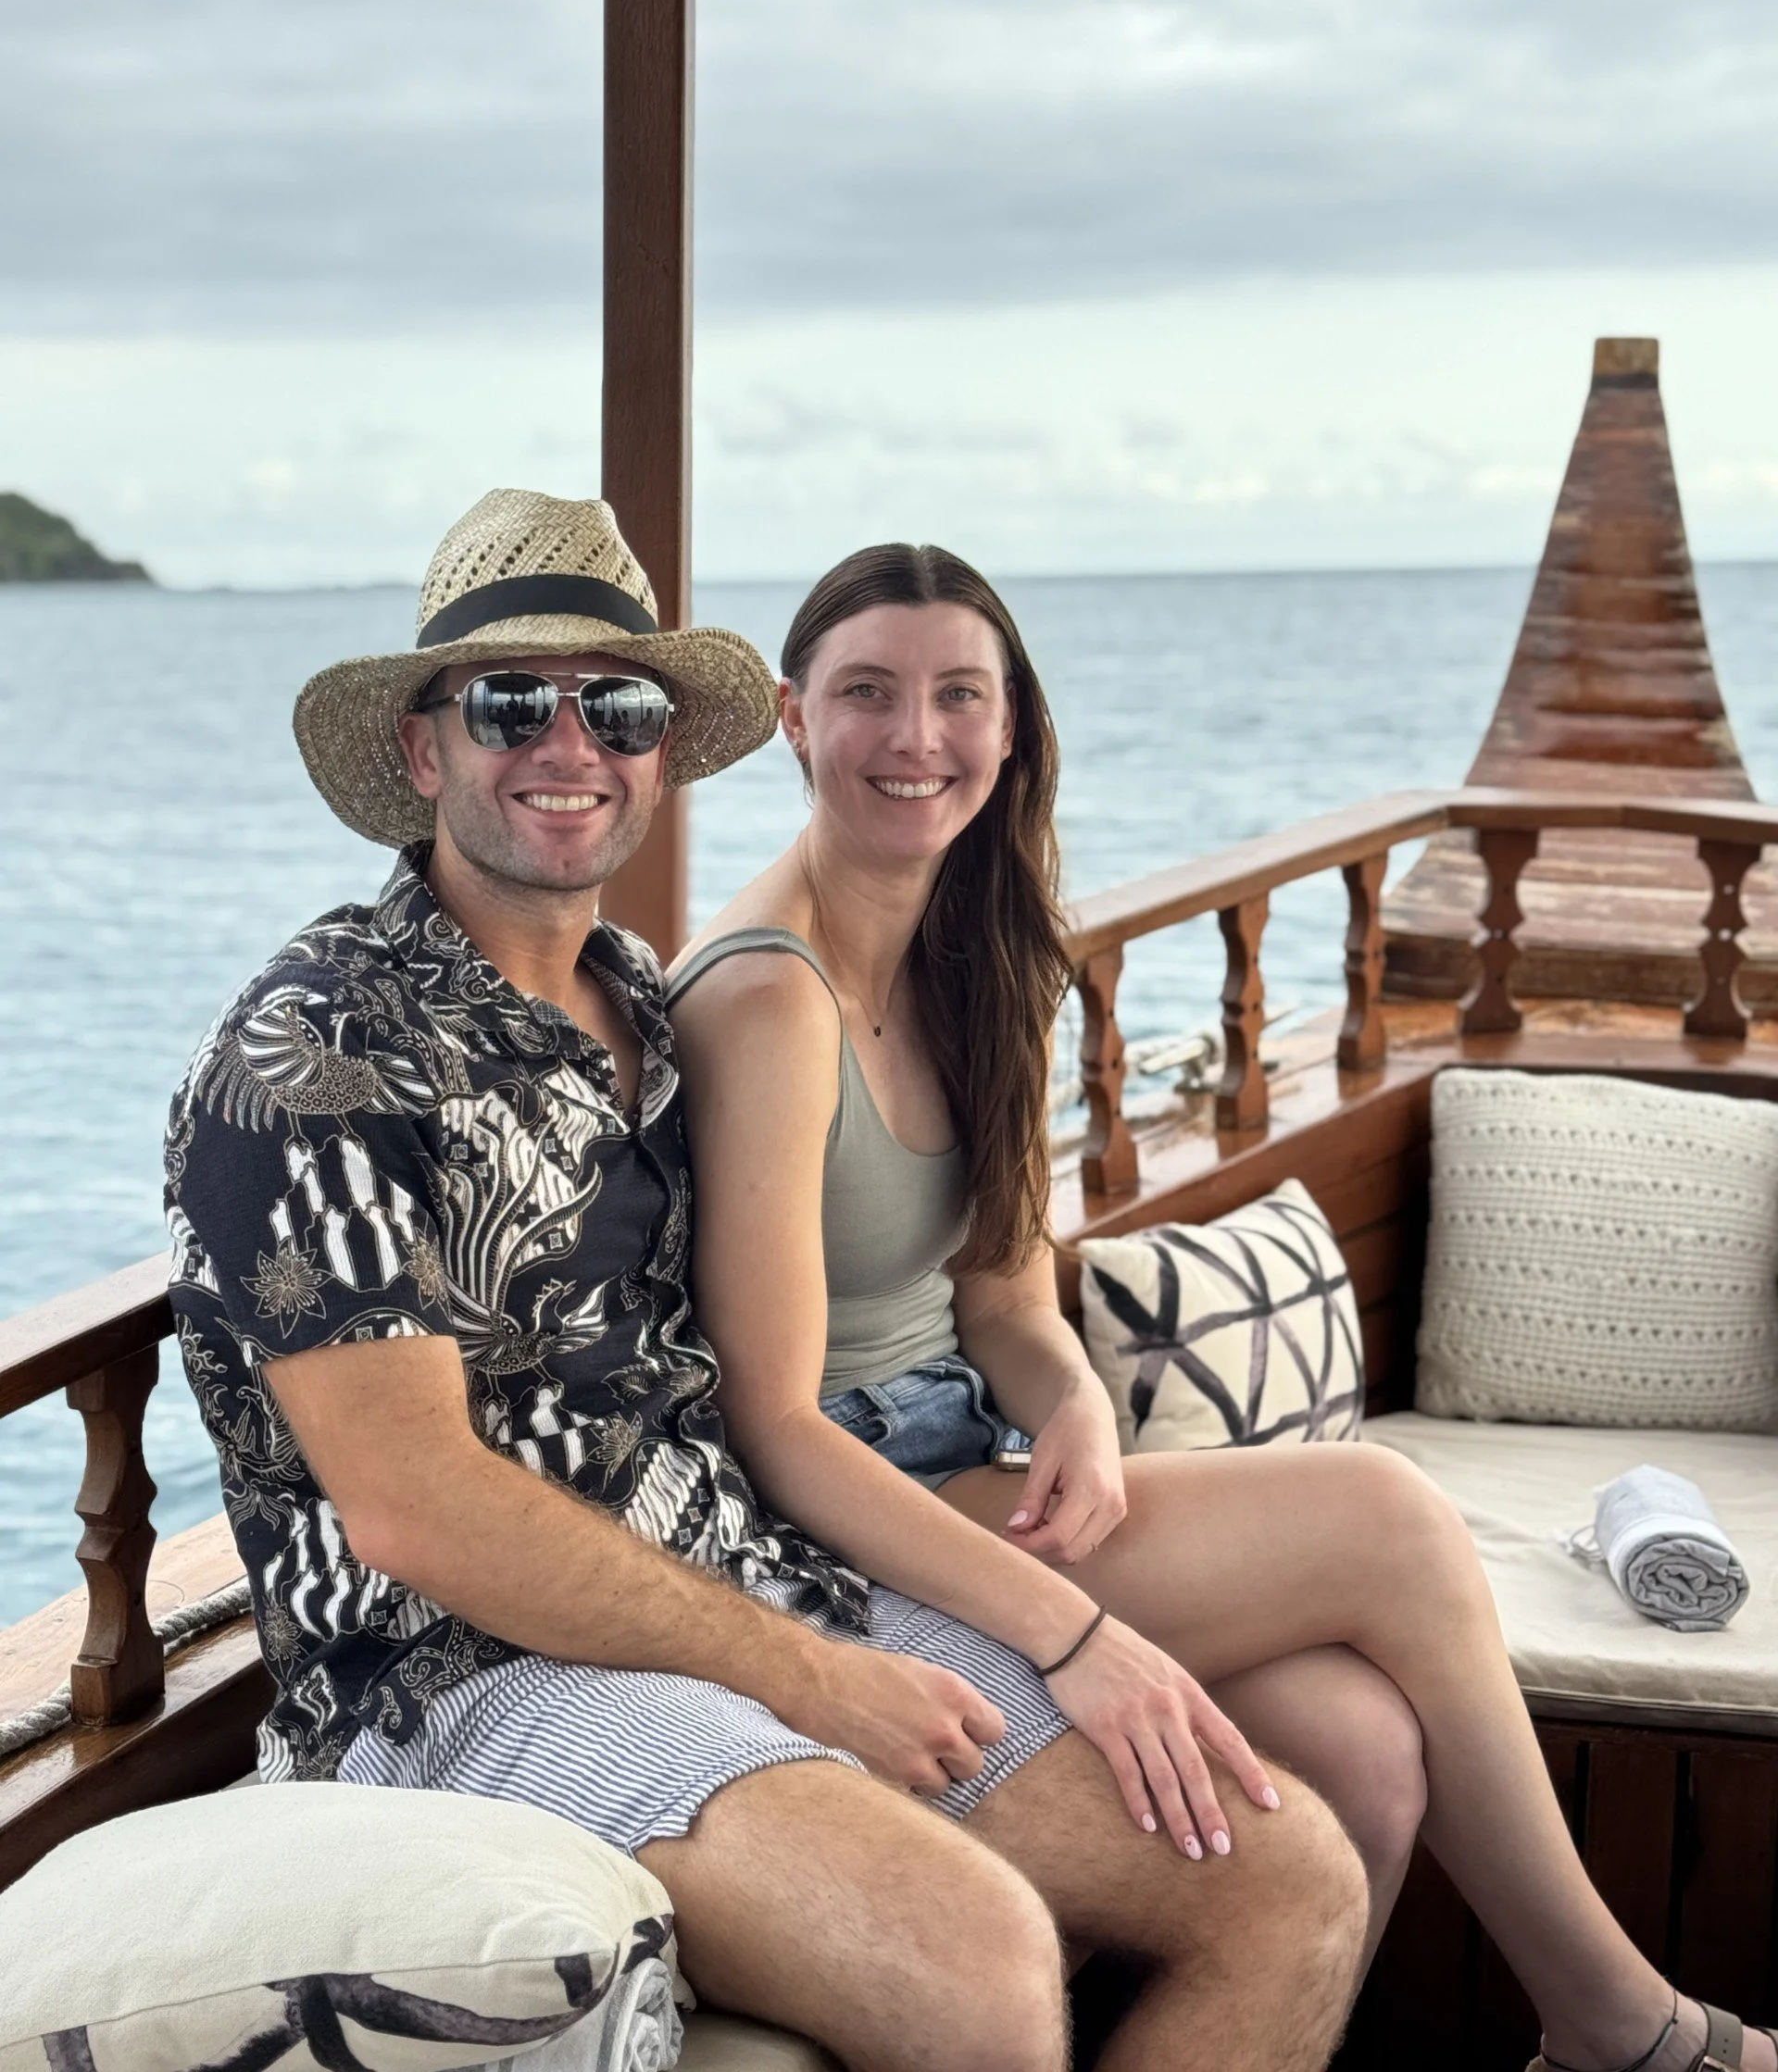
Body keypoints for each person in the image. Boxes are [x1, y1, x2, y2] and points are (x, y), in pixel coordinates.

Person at [165, 488, 1374, 2072]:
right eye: (511, 703)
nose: (570, 744)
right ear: (421, 749)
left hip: (746, 1573)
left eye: (621, 705)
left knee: (1288, 1880)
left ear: (664, 748)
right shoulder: (313, 1051)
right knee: (979, 1958)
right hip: (467, 1680)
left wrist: (834, 1630)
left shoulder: (640, 1016)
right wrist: (812, 1675)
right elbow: (415, 1511)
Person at [666, 540, 1778, 2072]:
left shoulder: (978, 948)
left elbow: (1002, 1290)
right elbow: (771, 1428)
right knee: (1385, 1517)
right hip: (831, 1522)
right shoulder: (764, 997)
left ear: (1011, 725)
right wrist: (1073, 1639)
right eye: (868, 694)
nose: (916, 738)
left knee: (1362, 1752)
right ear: (794, 721)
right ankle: (1623, 2029)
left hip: (974, 1459)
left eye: (957, 696)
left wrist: (1067, 1400)